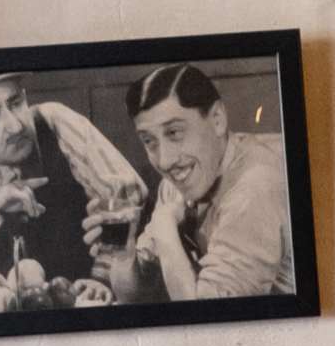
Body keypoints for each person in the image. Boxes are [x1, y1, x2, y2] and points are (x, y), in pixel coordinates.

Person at [0, 72, 145, 313]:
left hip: (86, 311)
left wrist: (102, 275)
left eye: (16, 103)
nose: (16, 125)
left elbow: (127, 193)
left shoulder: (54, 121)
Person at [122, 66, 293, 304]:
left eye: (174, 133)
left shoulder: (256, 185)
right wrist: (121, 252)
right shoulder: (181, 178)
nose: (165, 160)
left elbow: (207, 318)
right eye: (149, 141)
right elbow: (136, 294)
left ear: (217, 120)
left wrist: (164, 227)